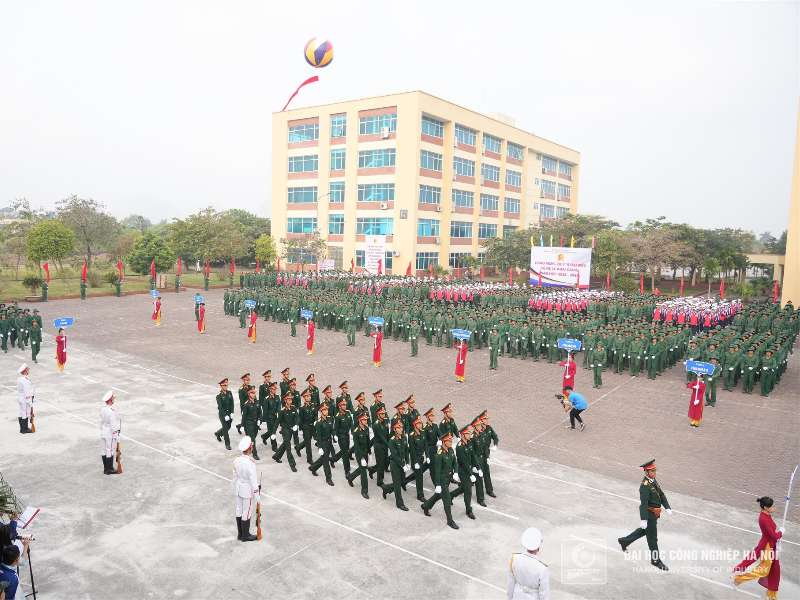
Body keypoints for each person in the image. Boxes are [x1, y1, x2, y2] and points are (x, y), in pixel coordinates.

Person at [617, 459, 671, 570]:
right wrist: (644, 519)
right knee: (653, 539)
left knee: (644, 531)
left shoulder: (653, 480)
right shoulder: (645, 486)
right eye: (652, 471)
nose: (655, 472)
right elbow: (643, 504)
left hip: (654, 514)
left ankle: (624, 541)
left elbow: (661, 494)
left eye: (655, 470)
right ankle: (655, 560)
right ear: (647, 472)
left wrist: (667, 507)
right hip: (649, 514)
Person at [733, 496, 784, 598]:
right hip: (768, 546)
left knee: (775, 570)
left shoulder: (767, 515)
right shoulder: (764, 519)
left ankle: (771, 594)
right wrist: (781, 533)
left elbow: (772, 534)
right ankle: (740, 578)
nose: (774, 508)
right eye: (772, 506)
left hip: (771, 545)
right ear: (765, 507)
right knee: (764, 570)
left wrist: (777, 539)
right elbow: (773, 535)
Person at [421, 431, 459, 529]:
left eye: (451, 441)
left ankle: (426, 506)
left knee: (438, 495)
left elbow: (455, 462)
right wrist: (437, 484)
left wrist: (456, 472)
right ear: (444, 442)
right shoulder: (439, 455)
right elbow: (437, 471)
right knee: (446, 499)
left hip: (448, 479)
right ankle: (450, 521)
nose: (451, 442)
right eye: (449, 441)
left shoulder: (450, 450)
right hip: (442, 480)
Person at [507, 527, 549, 600]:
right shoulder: (542, 568)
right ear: (538, 546)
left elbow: (510, 585)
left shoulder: (514, 559)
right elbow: (544, 594)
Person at [233, 437, 260, 542]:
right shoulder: (250, 463)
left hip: (238, 487)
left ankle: (240, 534)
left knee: (238, 510)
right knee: (247, 511)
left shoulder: (236, 460)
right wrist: (257, 495)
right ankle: (246, 535)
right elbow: (253, 481)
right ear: (249, 449)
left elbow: (234, 475)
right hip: (247, 489)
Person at [381, 420, 410, 511]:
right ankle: (400, 504)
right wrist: (403, 465)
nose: (401, 429)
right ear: (394, 429)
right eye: (398, 427)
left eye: (401, 427)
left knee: (401, 482)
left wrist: (408, 462)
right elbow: (394, 455)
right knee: (397, 486)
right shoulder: (392, 441)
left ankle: (386, 488)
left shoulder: (404, 437)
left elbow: (406, 451)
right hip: (395, 464)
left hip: (402, 464)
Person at [346, 411, 372, 499]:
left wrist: (369, 453)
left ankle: (350, 477)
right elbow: (356, 446)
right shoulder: (356, 431)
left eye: (366, 419)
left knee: (362, 469)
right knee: (364, 473)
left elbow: (368, 441)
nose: (366, 421)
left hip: (365, 453)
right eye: (364, 420)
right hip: (359, 453)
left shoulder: (366, 428)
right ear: (360, 420)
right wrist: (361, 458)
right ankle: (364, 491)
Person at [308, 402, 335, 486]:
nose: (326, 411)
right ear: (321, 411)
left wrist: (334, 435)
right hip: (322, 443)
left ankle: (313, 467)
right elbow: (318, 436)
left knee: (323, 458)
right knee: (326, 461)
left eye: (326, 409)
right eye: (324, 410)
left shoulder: (330, 419)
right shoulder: (319, 423)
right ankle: (329, 478)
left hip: (329, 442)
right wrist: (319, 447)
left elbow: (332, 429)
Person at [272, 393, 298, 472]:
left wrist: (296, 424)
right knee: (288, 447)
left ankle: (276, 456)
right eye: (289, 399)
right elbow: (277, 422)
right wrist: (273, 433)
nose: (290, 401)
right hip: (285, 430)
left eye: (291, 399)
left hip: (291, 430)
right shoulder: (282, 411)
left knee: (285, 444)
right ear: (285, 400)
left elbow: (297, 417)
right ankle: (292, 464)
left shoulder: (293, 408)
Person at [100, 391, 121, 475]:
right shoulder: (111, 411)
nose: (113, 399)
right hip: (110, 433)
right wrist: (116, 434)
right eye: (112, 398)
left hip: (103, 431)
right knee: (110, 450)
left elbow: (101, 421)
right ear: (110, 400)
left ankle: (105, 469)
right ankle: (110, 469)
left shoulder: (103, 409)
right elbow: (113, 425)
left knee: (104, 450)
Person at [214, 378, 234, 450]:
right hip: (223, 415)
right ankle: (227, 444)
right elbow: (220, 407)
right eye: (224, 385)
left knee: (228, 427)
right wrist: (225, 415)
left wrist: (232, 412)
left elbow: (232, 403)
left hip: (229, 414)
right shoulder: (218, 396)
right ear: (221, 386)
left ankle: (218, 433)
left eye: (226, 385)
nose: (226, 386)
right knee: (225, 429)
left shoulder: (229, 393)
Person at [15, 364, 33, 435]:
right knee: (25, 413)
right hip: (24, 399)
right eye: (27, 369)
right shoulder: (25, 380)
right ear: (25, 371)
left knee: (22, 412)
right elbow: (27, 392)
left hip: (20, 398)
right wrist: (30, 403)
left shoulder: (21, 378)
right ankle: (24, 429)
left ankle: (22, 428)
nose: (28, 370)